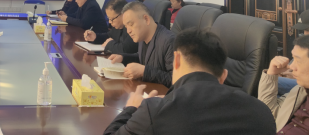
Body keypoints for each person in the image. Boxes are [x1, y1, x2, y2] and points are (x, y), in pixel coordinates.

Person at [103, 29, 276, 135]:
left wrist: (131, 108)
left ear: (177, 59)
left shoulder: (154, 111)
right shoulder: (261, 112)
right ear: (223, 76)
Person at [258, 34, 309, 134]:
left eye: (298, 61)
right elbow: (268, 113)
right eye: (293, 59)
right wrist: (271, 74)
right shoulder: (300, 90)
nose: (291, 67)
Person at [109, 1, 175, 87]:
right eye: (126, 27)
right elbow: (144, 57)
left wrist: (144, 72)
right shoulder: (142, 36)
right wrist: (123, 58)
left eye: (131, 24)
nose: (128, 31)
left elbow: (176, 80)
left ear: (146, 19)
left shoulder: (169, 41)